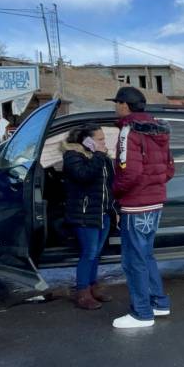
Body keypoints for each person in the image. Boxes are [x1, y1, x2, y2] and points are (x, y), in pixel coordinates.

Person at [108, 86, 175, 329]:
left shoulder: (128, 131)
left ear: (125, 105)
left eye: (117, 103)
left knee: (133, 260)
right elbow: (169, 169)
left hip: (136, 204)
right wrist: (153, 186)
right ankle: (159, 303)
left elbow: (129, 172)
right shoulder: (159, 130)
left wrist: (115, 192)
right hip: (155, 202)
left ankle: (142, 313)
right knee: (145, 255)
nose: (115, 107)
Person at [61, 123, 114, 310]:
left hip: (102, 212)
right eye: (99, 139)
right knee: (88, 252)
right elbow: (84, 176)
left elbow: (109, 183)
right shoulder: (73, 156)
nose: (103, 142)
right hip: (84, 214)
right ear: (86, 140)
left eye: (103, 138)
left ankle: (93, 286)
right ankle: (82, 291)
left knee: (96, 253)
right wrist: (99, 154)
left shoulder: (102, 157)